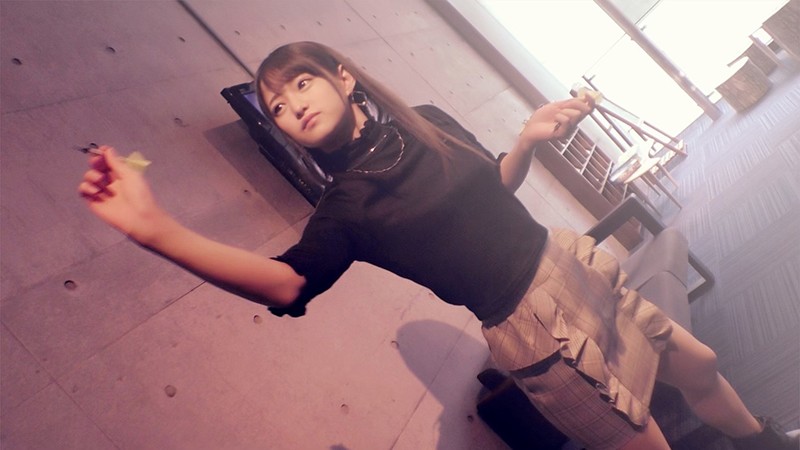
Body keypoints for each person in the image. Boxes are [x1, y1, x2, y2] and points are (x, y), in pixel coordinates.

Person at [79, 41, 798, 450]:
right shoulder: (347, 204)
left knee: (700, 367)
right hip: (534, 329)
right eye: (276, 106)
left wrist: (526, 141)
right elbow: (285, 284)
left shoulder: (424, 120)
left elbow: (494, 188)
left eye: (301, 82)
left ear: (342, 78)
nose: (292, 104)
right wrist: (155, 230)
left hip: (566, 263)